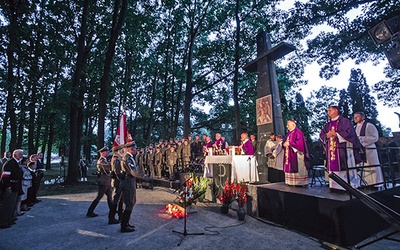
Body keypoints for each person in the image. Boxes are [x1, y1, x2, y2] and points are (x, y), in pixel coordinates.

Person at [319, 106, 363, 191]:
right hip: (332, 149)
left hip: (343, 149)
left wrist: (337, 134)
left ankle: (347, 186)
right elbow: (322, 135)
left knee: (345, 166)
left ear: (336, 111)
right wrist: (326, 135)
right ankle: (334, 186)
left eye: (330, 110)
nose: (328, 112)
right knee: (333, 167)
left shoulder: (345, 121)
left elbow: (350, 134)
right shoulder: (328, 124)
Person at [120, 142, 148, 233]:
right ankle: (124, 226)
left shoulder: (130, 157)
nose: (136, 150)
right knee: (129, 202)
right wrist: (145, 178)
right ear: (131, 149)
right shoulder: (127, 158)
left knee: (131, 201)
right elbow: (133, 172)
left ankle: (126, 223)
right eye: (135, 148)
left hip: (130, 181)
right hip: (128, 182)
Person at [353, 112, 384, 187]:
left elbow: (375, 137)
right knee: (360, 166)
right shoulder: (354, 127)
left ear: (363, 117)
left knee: (372, 165)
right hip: (358, 150)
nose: (355, 118)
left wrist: (360, 139)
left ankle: (375, 183)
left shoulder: (369, 126)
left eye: (357, 116)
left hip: (369, 149)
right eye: (354, 117)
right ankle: (363, 183)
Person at [86, 146, 113, 218]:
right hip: (103, 181)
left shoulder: (104, 160)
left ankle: (112, 209)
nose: (108, 153)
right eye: (106, 152)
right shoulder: (101, 161)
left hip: (106, 181)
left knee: (110, 196)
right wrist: (112, 163)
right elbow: (108, 168)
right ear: (103, 153)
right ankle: (90, 211)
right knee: (99, 197)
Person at [0, 149, 24, 228]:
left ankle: (9, 218)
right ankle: (3, 222)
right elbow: (5, 177)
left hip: (16, 186)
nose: (21, 156)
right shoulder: (10, 164)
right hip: (10, 186)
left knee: (12, 204)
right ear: (15, 155)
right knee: (7, 204)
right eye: (20, 154)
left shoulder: (17, 163)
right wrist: (8, 187)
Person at [283, 120, 311, 186]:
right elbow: (284, 142)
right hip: (289, 154)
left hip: (297, 154)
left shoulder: (298, 132)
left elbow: (300, 144)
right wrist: (284, 144)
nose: (287, 126)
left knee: (298, 167)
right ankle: (291, 182)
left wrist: (290, 144)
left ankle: (300, 183)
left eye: (288, 125)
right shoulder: (288, 133)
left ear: (293, 125)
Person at [108, 146, 125, 224]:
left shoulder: (117, 158)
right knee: (116, 200)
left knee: (121, 199)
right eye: (121, 150)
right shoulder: (116, 159)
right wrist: (122, 179)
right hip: (118, 182)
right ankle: (111, 218)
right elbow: (117, 171)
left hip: (119, 182)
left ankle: (121, 215)